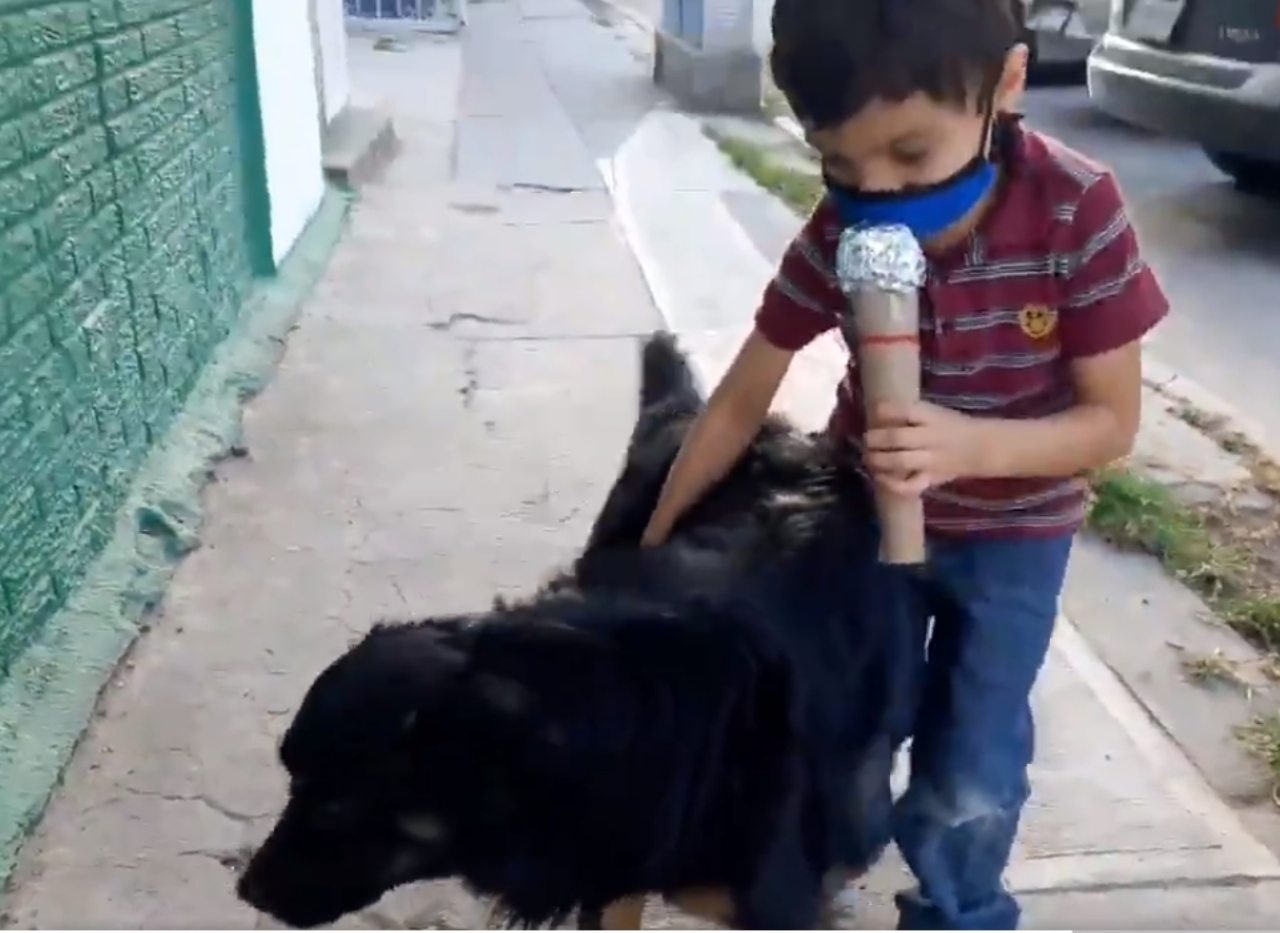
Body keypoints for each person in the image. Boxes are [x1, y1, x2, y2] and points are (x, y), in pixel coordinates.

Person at [637, 0, 1170, 928]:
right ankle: (821, 868)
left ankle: (959, 907)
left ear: (1006, 85)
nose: (878, 192)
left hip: (1014, 539)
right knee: (842, 726)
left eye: (912, 156)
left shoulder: (1076, 209)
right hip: (856, 517)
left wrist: (970, 446)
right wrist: (653, 536)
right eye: (841, 165)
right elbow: (738, 397)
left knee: (971, 757)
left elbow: (1110, 423)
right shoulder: (839, 230)